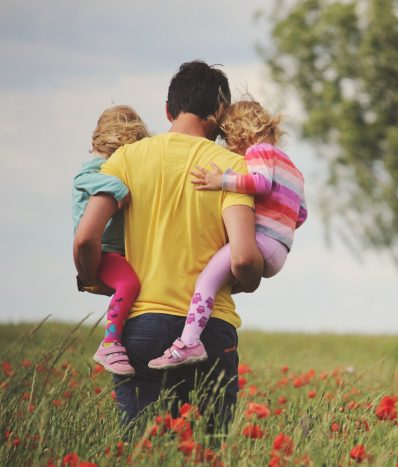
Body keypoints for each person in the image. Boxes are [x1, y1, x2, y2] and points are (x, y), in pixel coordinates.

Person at [73, 60, 263, 432]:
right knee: (206, 452)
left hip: (140, 326)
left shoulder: (126, 159)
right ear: (220, 114)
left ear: (167, 109)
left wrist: (92, 277)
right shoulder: (232, 168)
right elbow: (242, 258)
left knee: (142, 450)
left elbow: (85, 238)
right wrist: (252, 276)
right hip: (209, 331)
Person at [148, 98, 308, 369]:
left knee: (206, 281)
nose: (228, 146)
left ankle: (188, 343)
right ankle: (197, 329)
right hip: (280, 249)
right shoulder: (293, 168)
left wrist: (220, 180)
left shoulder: (259, 152)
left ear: (240, 132)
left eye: (227, 138)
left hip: (261, 242)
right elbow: (301, 214)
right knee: (220, 281)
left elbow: (260, 183)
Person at [72, 105, 148, 376]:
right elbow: (82, 179)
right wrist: (117, 187)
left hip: (116, 251)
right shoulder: (97, 168)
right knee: (129, 284)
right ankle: (110, 342)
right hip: (103, 251)